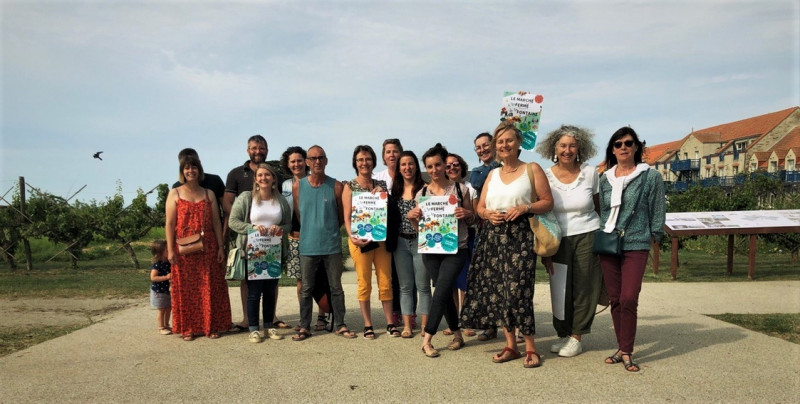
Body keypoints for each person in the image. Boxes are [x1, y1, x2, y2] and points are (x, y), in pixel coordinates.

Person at [461, 121, 554, 368]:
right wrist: (486, 214)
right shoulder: (492, 174)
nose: (504, 145)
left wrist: (526, 207)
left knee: (519, 291)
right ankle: (510, 345)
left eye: (509, 140)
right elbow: (479, 207)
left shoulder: (532, 169)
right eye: (500, 141)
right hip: (492, 236)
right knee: (499, 292)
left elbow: (547, 202)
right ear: (496, 146)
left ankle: (531, 347)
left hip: (520, 236)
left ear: (519, 143)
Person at [597, 126, 666, 372]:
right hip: (609, 243)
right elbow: (603, 211)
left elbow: (658, 209)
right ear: (612, 150)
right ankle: (622, 347)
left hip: (636, 242)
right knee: (615, 298)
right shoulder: (605, 178)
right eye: (618, 144)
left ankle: (627, 350)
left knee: (628, 297)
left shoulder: (650, 176)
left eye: (628, 143)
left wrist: (654, 236)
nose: (623, 147)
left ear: (636, 147)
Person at [535, 125, 602, 358]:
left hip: (587, 234)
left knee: (584, 285)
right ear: (554, 148)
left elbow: (598, 206)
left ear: (579, 148)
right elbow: (542, 210)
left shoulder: (591, 173)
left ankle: (577, 336)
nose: (567, 150)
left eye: (572, 145)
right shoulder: (545, 175)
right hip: (557, 238)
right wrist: (545, 249)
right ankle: (563, 333)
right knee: (559, 287)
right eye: (563, 145)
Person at [407, 143, 476, 358]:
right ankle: (457, 334)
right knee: (444, 293)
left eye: (438, 165)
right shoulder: (422, 194)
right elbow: (420, 229)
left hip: (457, 248)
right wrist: (412, 220)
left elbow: (473, 218)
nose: (434, 170)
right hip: (430, 250)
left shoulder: (460, 189)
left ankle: (427, 339)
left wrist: (466, 213)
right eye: (430, 166)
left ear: (444, 165)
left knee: (442, 289)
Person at [223, 135, 289, 332]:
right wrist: (251, 228)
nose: (264, 178)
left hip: (273, 250)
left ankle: (270, 323)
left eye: (267, 175)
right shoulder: (244, 193)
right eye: (254, 148)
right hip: (250, 248)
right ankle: (250, 324)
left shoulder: (280, 199)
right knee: (252, 289)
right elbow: (233, 218)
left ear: (273, 178)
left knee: (270, 288)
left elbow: (287, 223)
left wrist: (281, 230)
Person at [292, 145, 357, 340]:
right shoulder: (298, 186)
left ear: (326, 160)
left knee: (336, 287)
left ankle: (340, 324)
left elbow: (339, 217)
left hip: (331, 246)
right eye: (313, 158)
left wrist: (326, 230)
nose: (317, 161)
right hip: (308, 246)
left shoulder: (336, 186)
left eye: (321, 158)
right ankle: (305, 326)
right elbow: (299, 213)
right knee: (306, 289)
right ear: (307, 162)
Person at [165, 154, 231, 341]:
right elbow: (169, 224)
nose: (190, 171)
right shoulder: (175, 193)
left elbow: (217, 223)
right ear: (182, 171)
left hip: (207, 247)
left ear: (199, 170)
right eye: (187, 168)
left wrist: (220, 247)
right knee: (186, 288)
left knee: (209, 286)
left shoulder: (208, 193)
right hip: (183, 249)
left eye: (194, 167)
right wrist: (170, 250)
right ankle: (188, 328)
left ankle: (212, 325)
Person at [343, 145, 397, 339]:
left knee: (385, 281)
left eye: (367, 159)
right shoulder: (349, 186)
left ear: (373, 161)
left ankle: (390, 322)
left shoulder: (381, 184)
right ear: (355, 163)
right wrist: (352, 237)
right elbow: (347, 217)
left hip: (380, 240)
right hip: (360, 241)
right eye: (360, 160)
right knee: (364, 282)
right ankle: (368, 324)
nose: (364, 163)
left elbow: (390, 210)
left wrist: (382, 197)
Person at [281, 146, 331, 332]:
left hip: (316, 238)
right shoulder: (285, 185)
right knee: (301, 281)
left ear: (307, 162)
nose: (297, 164)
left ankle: (322, 317)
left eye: (300, 160)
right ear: (288, 164)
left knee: (320, 278)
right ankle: (305, 320)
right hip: (295, 237)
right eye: (292, 161)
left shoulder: (319, 183)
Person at [390, 151, 431, 338]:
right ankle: (407, 325)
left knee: (423, 286)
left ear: (416, 166)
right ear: (399, 168)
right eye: (404, 164)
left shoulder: (426, 189)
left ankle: (424, 325)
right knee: (405, 286)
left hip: (421, 241)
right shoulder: (394, 191)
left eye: (411, 164)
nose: (407, 168)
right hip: (400, 242)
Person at [468, 132, 501, 342]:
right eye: (478, 147)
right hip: (485, 227)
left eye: (485, 145)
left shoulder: (506, 166)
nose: (482, 149)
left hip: (509, 224)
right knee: (487, 278)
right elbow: (478, 190)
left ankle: (513, 324)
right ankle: (490, 325)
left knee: (509, 278)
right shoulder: (477, 173)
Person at [372, 138, 408, 328]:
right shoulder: (377, 178)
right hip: (386, 233)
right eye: (388, 152)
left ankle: (408, 312)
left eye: (395, 151)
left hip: (408, 231)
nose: (392, 155)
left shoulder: (409, 174)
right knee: (391, 275)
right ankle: (395, 312)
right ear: (383, 156)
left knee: (407, 276)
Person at [443, 153, 477, 338]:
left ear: (462, 166)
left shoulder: (470, 188)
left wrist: (467, 213)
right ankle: (454, 322)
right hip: (445, 239)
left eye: (455, 164)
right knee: (451, 283)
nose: (452, 168)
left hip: (465, 237)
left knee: (464, 283)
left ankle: (467, 321)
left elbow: (476, 216)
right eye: (447, 166)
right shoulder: (442, 189)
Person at [171, 148, 225, 222]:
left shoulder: (215, 180)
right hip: (186, 233)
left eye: (193, 165)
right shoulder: (176, 188)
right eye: (186, 166)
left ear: (199, 163)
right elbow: (172, 221)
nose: (190, 170)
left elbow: (226, 210)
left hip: (213, 231)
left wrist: (224, 232)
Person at [149, 239, 172, 335]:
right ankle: (161, 327)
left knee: (168, 308)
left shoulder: (169, 262)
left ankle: (166, 324)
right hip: (159, 291)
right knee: (161, 309)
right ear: (160, 252)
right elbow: (153, 277)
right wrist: (166, 277)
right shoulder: (157, 264)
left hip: (167, 290)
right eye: (167, 250)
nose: (170, 251)